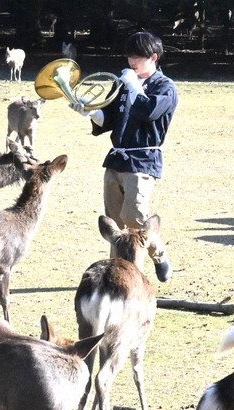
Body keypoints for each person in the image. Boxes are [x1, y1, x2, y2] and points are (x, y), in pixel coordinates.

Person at [71, 31, 178, 282]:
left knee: (136, 217)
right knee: (115, 223)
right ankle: (117, 269)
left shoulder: (165, 88)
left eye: (137, 57)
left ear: (153, 57)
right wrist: (89, 112)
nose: (131, 61)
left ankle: (156, 257)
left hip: (142, 160)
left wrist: (133, 85)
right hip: (117, 159)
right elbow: (109, 119)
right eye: (130, 56)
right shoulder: (123, 84)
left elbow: (148, 111)